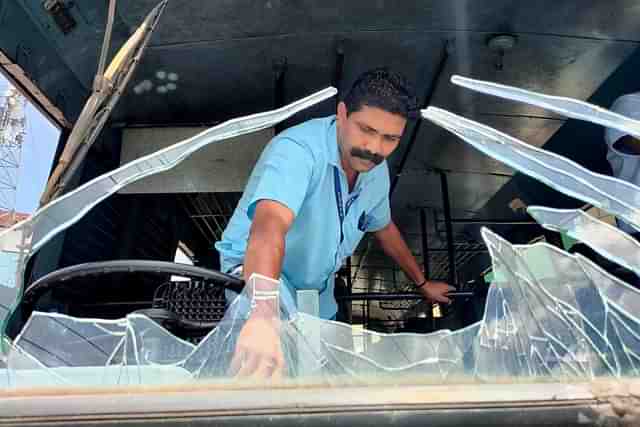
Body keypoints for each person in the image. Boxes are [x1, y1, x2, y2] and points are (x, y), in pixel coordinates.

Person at [215, 68, 454, 378]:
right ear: (342, 113)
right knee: (268, 365)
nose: (375, 148)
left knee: (316, 373)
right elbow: (269, 226)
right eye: (366, 129)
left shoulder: (375, 173)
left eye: (390, 138)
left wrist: (422, 284)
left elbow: (384, 229)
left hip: (315, 286)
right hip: (261, 275)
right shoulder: (298, 151)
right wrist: (262, 314)